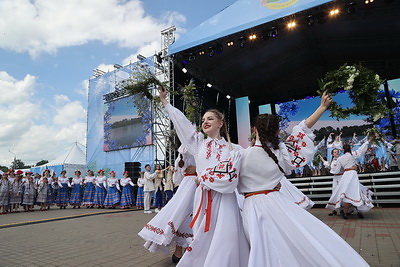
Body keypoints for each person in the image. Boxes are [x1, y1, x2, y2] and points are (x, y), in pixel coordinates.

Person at [238, 92, 369, 266]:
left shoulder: (239, 155)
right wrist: (322, 107)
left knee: (262, 248)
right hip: (277, 203)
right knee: (295, 242)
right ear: (277, 131)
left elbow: (221, 180)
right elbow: (302, 129)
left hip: (252, 206)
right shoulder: (283, 152)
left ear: (254, 130)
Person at [159, 86, 249, 267]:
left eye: (210, 119)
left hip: (226, 199)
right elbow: (182, 124)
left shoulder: (234, 149)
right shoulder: (198, 143)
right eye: (203, 120)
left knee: (227, 234)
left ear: (220, 123)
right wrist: (165, 102)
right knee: (202, 234)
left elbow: (250, 170)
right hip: (204, 197)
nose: (205, 122)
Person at [139, 145, 196, 263]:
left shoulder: (181, 157)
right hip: (199, 184)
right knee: (194, 215)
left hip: (186, 186)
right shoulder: (200, 151)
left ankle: (178, 251)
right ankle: (190, 250)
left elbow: (177, 180)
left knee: (180, 215)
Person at [326, 141, 374, 219]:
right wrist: (367, 142)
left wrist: (332, 170)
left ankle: (347, 212)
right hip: (352, 174)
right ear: (350, 149)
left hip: (345, 175)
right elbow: (360, 151)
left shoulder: (340, 158)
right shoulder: (352, 155)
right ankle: (357, 211)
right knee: (355, 191)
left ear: (343, 150)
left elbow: (336, 170)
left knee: (346, 192)